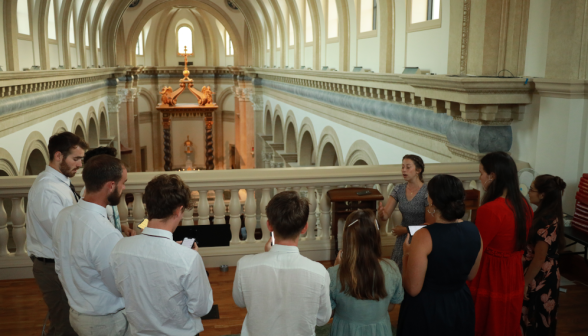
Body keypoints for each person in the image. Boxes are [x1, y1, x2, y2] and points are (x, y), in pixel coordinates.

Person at [110, 174, 213, 336]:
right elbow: (201, 308)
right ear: (179, 210)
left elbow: (119, 289)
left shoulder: (119, 248)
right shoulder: (188, 259)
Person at [232, 191, 331, 336]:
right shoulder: (319, 272)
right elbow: (322, 319)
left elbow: (240, 302)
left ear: (269, 226)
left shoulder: (245, 265)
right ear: (304, 228)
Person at [53, 155, 129, 336]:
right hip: (105, 321)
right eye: (123, 183)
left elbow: (59, 266)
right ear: (111, 186)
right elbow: (118, 287)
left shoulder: (64, 216)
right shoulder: (105, 233)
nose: (124, 188)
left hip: (78, 313)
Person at [398, 174, 483, 336]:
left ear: (432, 200)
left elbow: (413, 288)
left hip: (429, 308)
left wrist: (406, 255)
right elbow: (471, 275)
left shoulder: (425, 236)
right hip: (460, 303)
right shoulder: (474, 231)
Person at [26, 131, 88, 336]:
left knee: (68, 322)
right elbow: (60, 232)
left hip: (60, 264)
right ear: (59, 156)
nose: (80, 165)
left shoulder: (61, 183)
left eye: (81, 159)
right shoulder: (47, 189)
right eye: (76, 159)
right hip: (51, 266)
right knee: (65, 326)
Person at [467, 151, 533, 336]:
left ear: (492, 176)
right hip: (513, 271)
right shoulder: (523, 205)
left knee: (488, 322)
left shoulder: (491, 209)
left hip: (492, 273)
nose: (480, 178)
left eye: (481, 173)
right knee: (507, 323)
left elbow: (477, 250)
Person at [328, 209, 404, 336]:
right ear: (376, 236)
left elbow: (330, 311)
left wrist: (337, 268)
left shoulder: (333, 274)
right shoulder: (392, 268)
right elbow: (390, 307)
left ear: (347, 237)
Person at [521, 175, 566, 336]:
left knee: (535, 318)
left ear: (542, 195)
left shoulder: (545, 220)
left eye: (532, 189)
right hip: (544, 272)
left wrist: (524, 283)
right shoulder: (546, 215)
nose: (529, 193)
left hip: (540, 276)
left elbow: (539, 257)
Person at [378, 154, 433, 271]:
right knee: (398, 270)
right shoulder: (399, 189)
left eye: (408, 167)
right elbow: (385, 215)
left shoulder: (427, 192)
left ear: (418, 170)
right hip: (403, 238)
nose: (404, 170)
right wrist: (381, 214)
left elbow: (429, 224)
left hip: (421, 237)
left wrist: (405, 230)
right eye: (402, 167)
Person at [81, 146, 134, 237]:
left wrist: (122, 228)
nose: (124, 187)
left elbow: (108, 219)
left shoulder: (110, 195)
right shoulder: (90, 195)